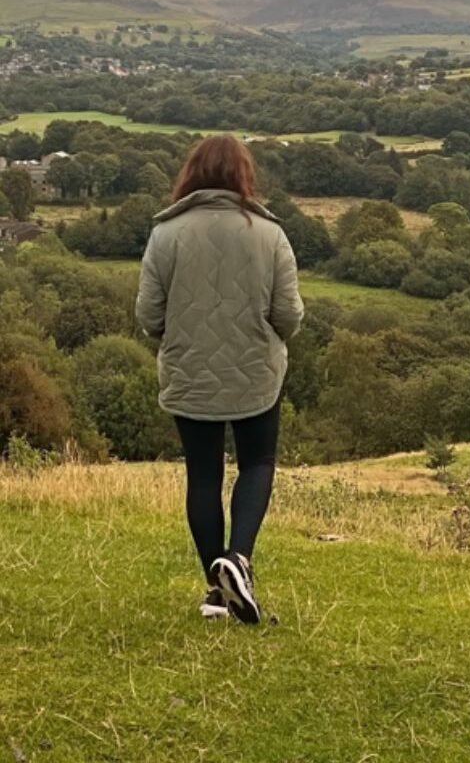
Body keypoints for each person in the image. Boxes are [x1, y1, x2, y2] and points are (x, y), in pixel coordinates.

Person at [136, 135, 303, 625]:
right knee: (257, 464)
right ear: (243, 176)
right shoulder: (269, 233)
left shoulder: (165, 234)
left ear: (191, 174)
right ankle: (239, 560)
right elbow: (288, 314)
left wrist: (178, 338)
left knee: (202, 476)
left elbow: (148, 314)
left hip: (189, 371)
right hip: (256, 369)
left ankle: (216, 590)